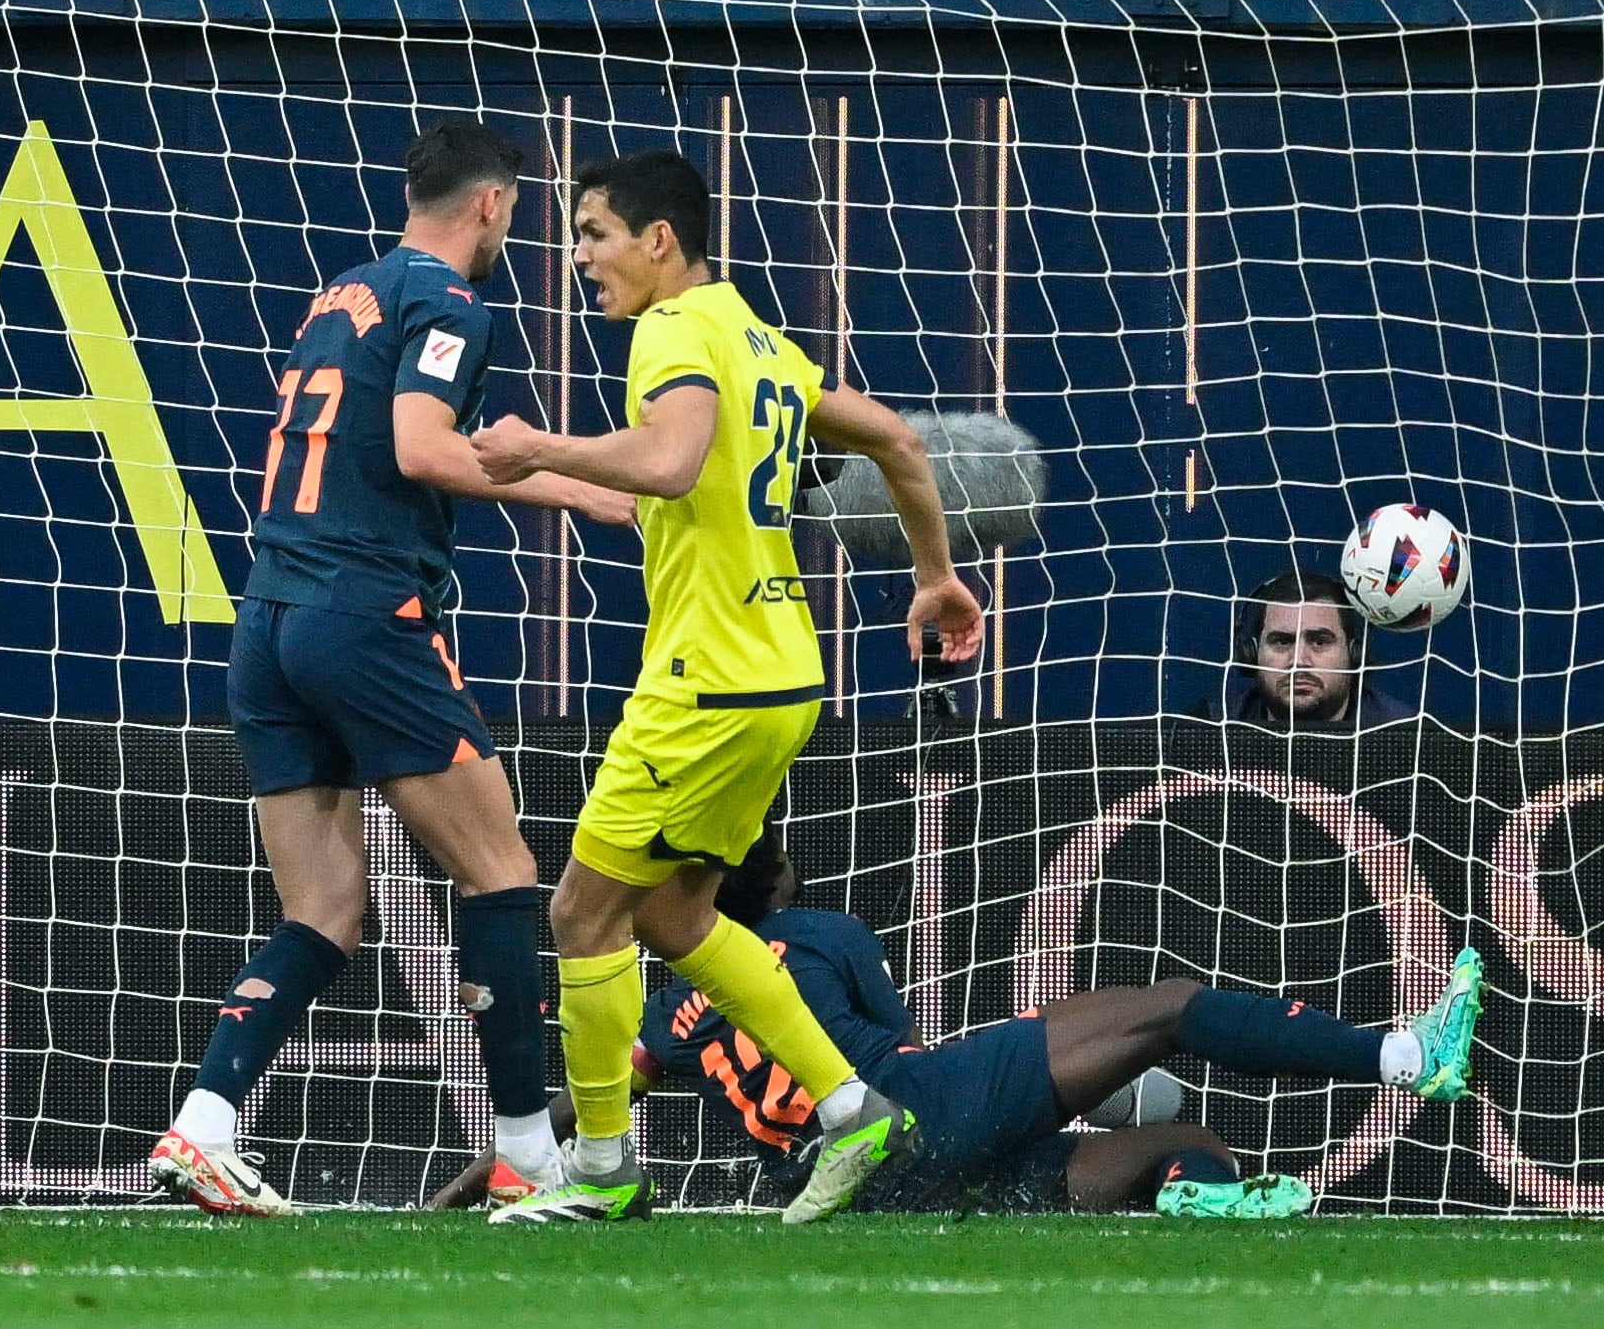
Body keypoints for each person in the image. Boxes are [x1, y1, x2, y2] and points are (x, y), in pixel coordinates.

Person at [468, 150, 984, 1226]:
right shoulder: (759, 336)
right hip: (783, 669)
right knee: (670, 910)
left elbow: (667, 458)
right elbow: (893, 436)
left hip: (703, 683)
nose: (577, 257)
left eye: (594, 233)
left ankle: (602, 1168)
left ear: (660, 239)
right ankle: (849, 1103)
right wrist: (935, 576)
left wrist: (530, 445)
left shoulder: (673, 330)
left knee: (578, 911)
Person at [148, 120, 635, 1219]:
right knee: (501, 873)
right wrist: (580, 489)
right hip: (364, 612)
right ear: (492, 207)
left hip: (267, 617)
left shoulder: (337, 297)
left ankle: (204, 1125)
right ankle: (525, 1154)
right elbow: (420, 447)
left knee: (322, 907)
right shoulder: (453, 303)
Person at [431, 827, 1485, 1218]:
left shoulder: (666, 1015)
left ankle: (1194, 1195)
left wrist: (500, 1158)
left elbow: (588, 1092)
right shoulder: (816, 931)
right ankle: (1403, 1052)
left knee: (1178, 1138)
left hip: (843, 1194)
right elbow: (909, 1054)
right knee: (1166, 1008)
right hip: (915, 1112)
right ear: (764, 876)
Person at [1220, 569, 1416, 729]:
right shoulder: (1210, 731)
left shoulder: (1409, 737)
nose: (1298, 661)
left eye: (1319, 642)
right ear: (1251, 654)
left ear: (1355, 653)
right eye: (1282, 642)